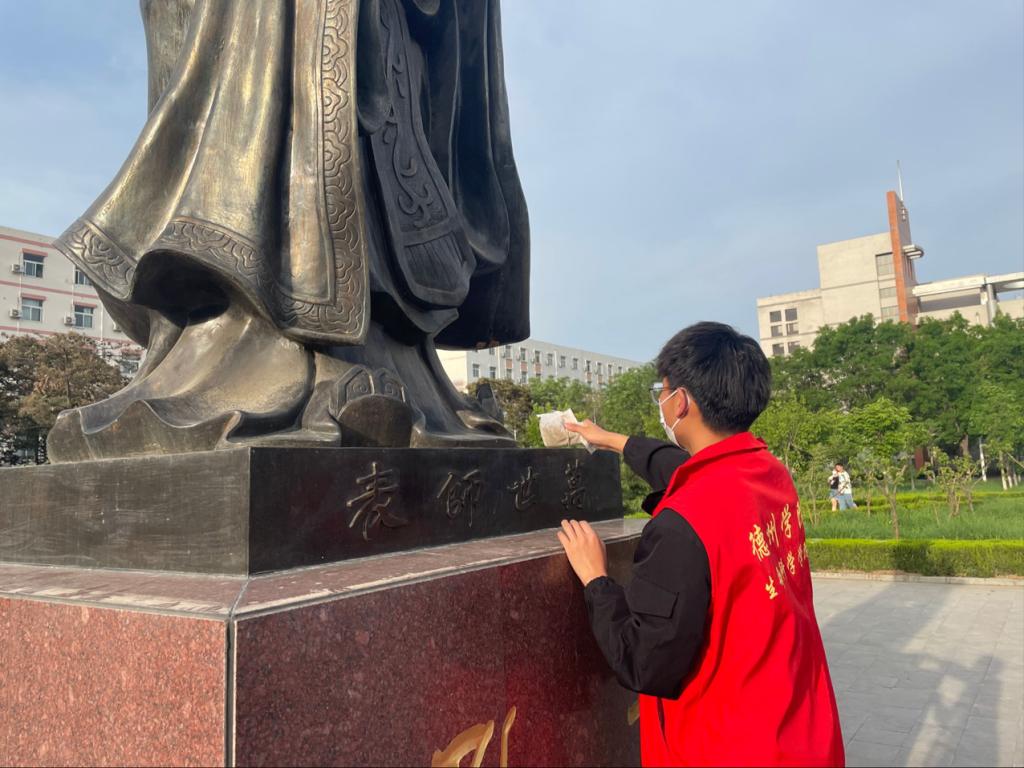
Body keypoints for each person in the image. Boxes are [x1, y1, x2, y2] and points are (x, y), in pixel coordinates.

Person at [557, 322, 844, 767]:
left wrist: (597, 579)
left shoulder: (681, 525)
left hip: (727, 745)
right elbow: (687, 468)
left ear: (681, 401)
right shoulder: (769, 474)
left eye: (662, 391)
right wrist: (610, 439)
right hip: (799, 728)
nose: (660, 401)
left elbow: (644, 661)